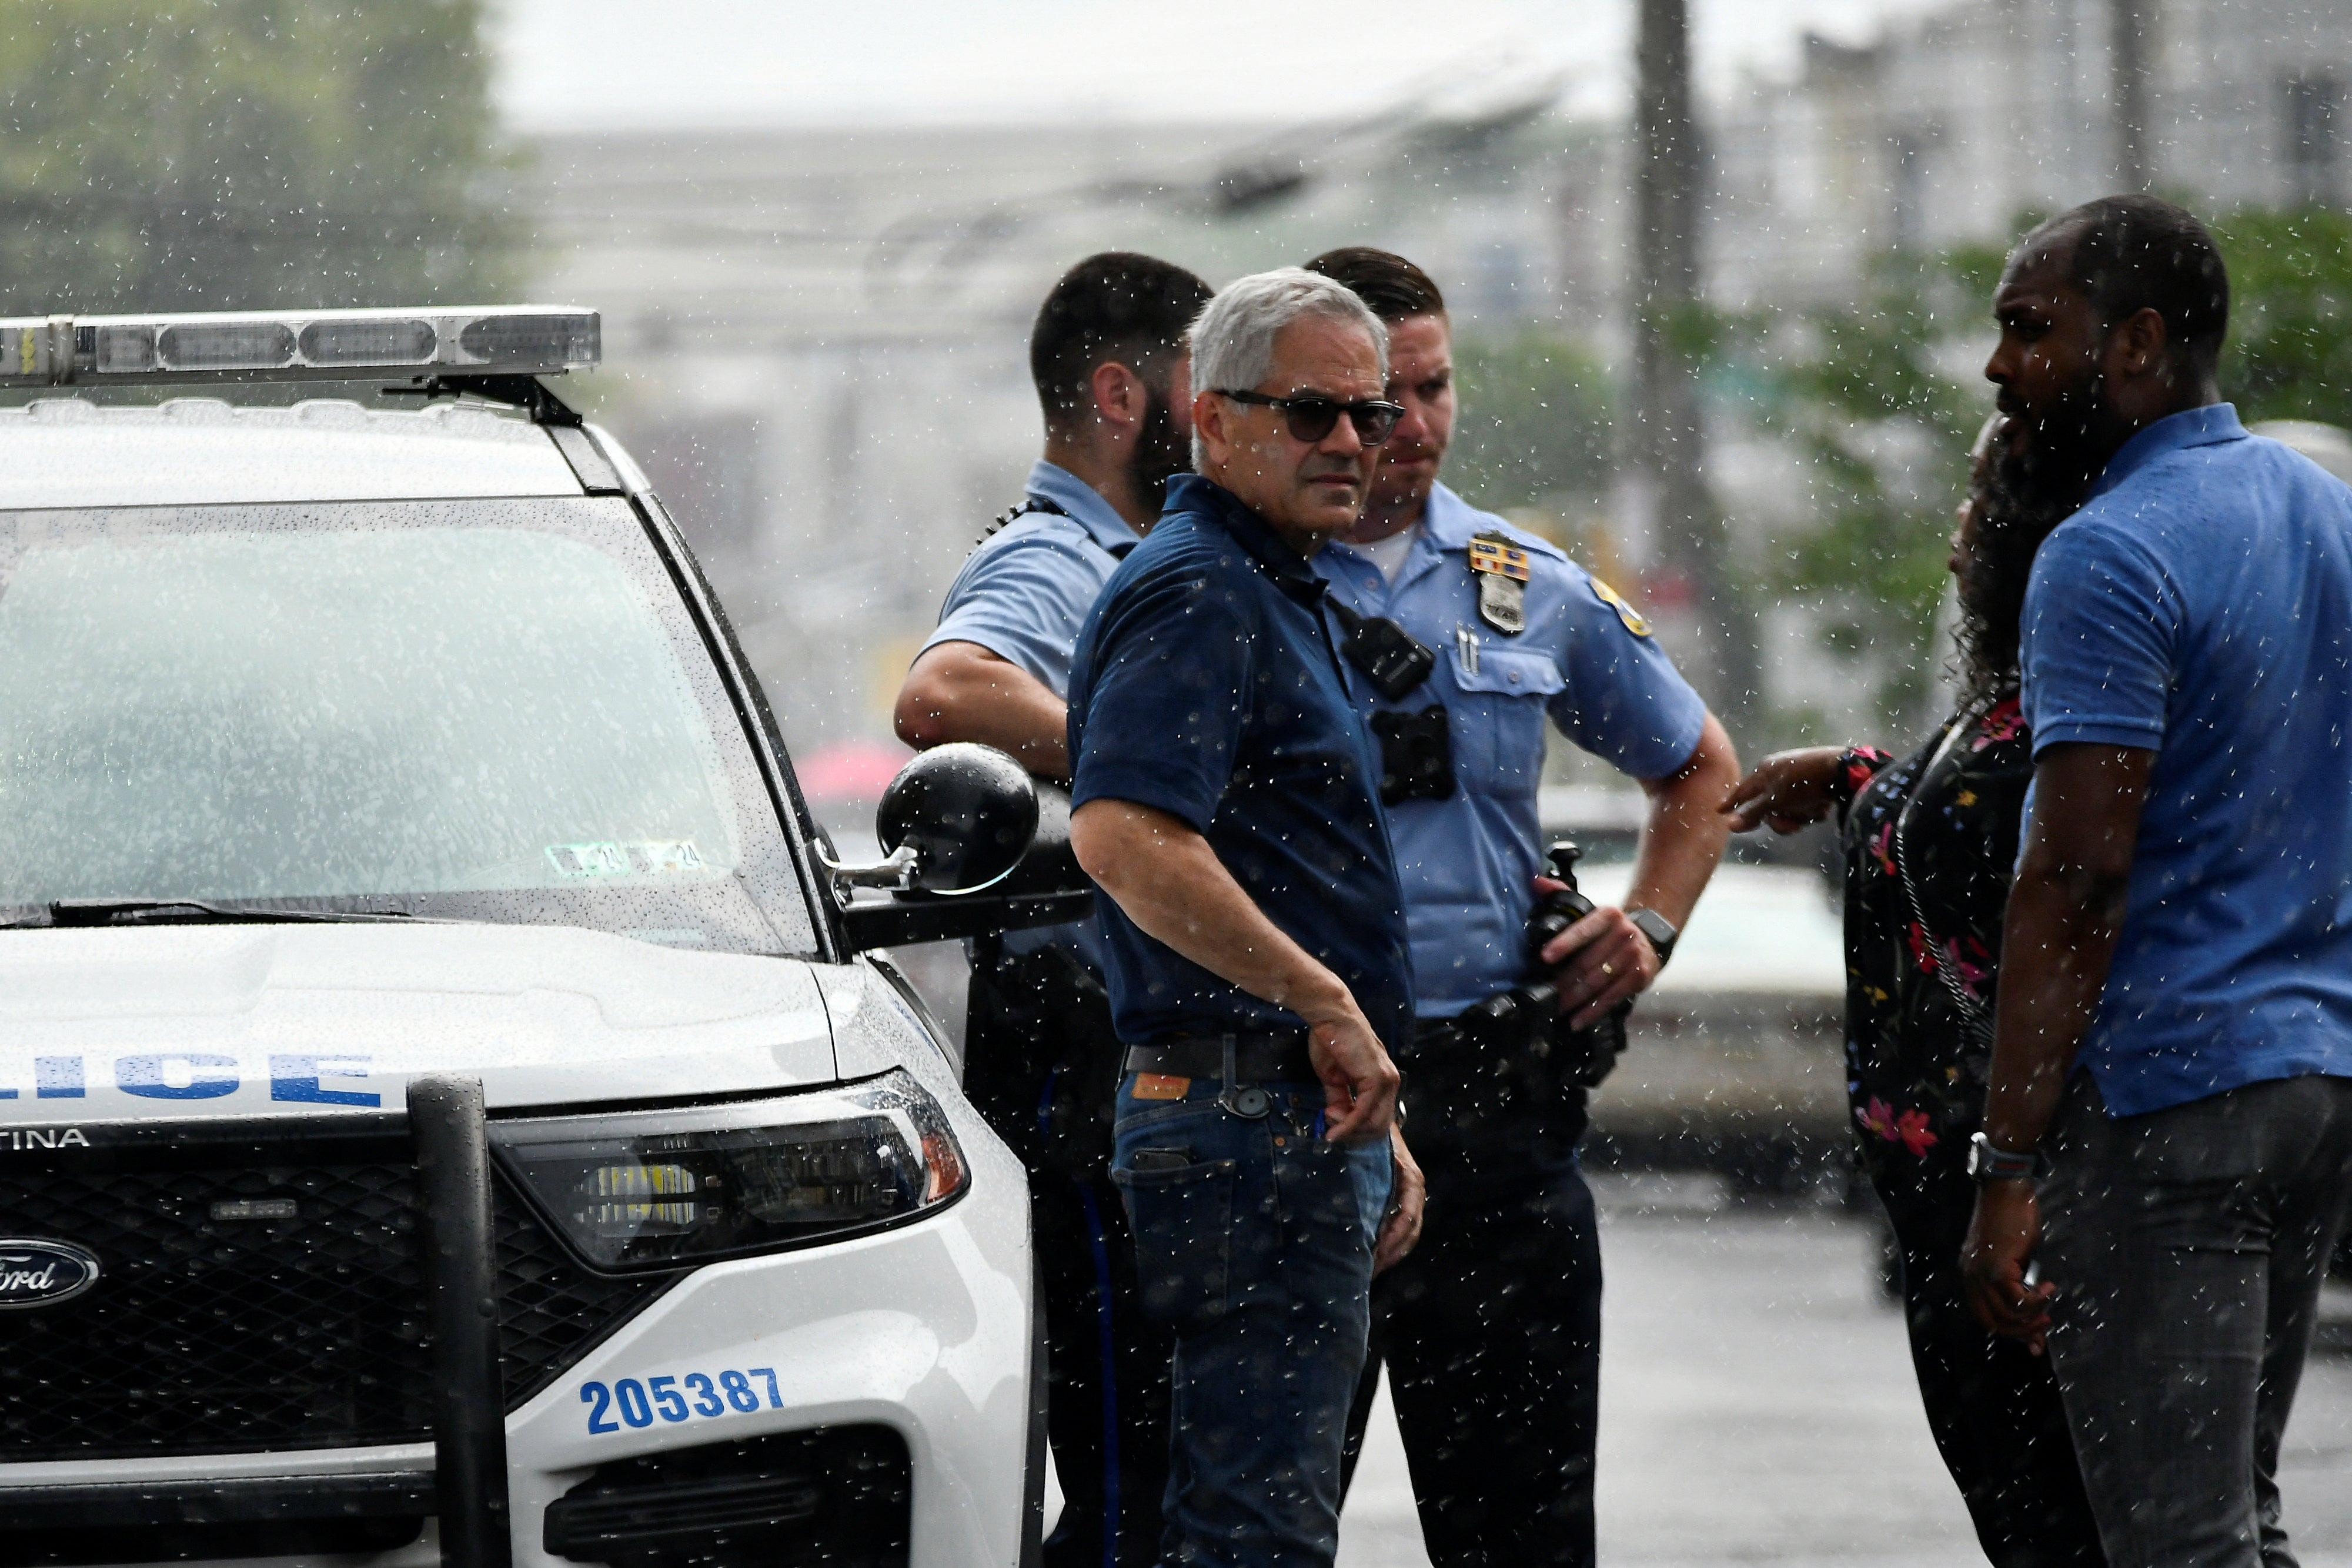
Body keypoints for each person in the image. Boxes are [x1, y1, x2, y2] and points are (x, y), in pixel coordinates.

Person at [1304, 248, 1737, 1567]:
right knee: (1251, 1521)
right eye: (1387, 396)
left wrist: (1648, 923)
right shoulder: (1221, 584)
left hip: (1487, 1098)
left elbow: (1699, 767)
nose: (1418, 424)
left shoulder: (1523, 581)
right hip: (1295, 1099)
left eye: (1436, 387)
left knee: (1522, 1533)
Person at [1957, 195, 2352, 1567]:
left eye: (2026, 330)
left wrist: (2002, 1164)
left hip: (2164, 1094)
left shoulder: (2104, 550)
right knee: (2235, 1519)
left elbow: (2071, 876)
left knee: (2176, 1545)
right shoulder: (2327, 513)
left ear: (2133, 344)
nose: (1997, 366)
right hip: (2310, 1080)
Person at [1064, 267, 1417, 1568]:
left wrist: (1368, 1098)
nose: (1347, 443)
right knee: (1251, 1531)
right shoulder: (1203, 586)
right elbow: (1121, 832)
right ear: (1209, 418)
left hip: (1287, 1111)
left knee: (1255, 1515)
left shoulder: (1274, 581)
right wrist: (1321, 1004)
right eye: (1310, 413)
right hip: (1242, 1119)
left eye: (1366, 417)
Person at [1722, 415, 2103, 1567]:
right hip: (1945, 1204)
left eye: (1983, 496)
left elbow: (2071, 903)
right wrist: (1861, 782)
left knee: (2097, 1527)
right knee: (2029, 1525)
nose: (1955, 535)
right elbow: (1965, 849)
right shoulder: (2010, 700)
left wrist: (2011, 1170)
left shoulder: (2092, 703)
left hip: (2035, 1196)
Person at [893, 251, 1213, 1568]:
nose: (1229, 416)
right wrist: (1126, 756)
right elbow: (944, 693)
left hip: (1138, 1059)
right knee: (1132, 1482)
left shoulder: (1147, 553)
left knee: (1172, 1475)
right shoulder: (1054, 553)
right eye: (1208, 384)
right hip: (1078, 1071)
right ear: (1120, 391)